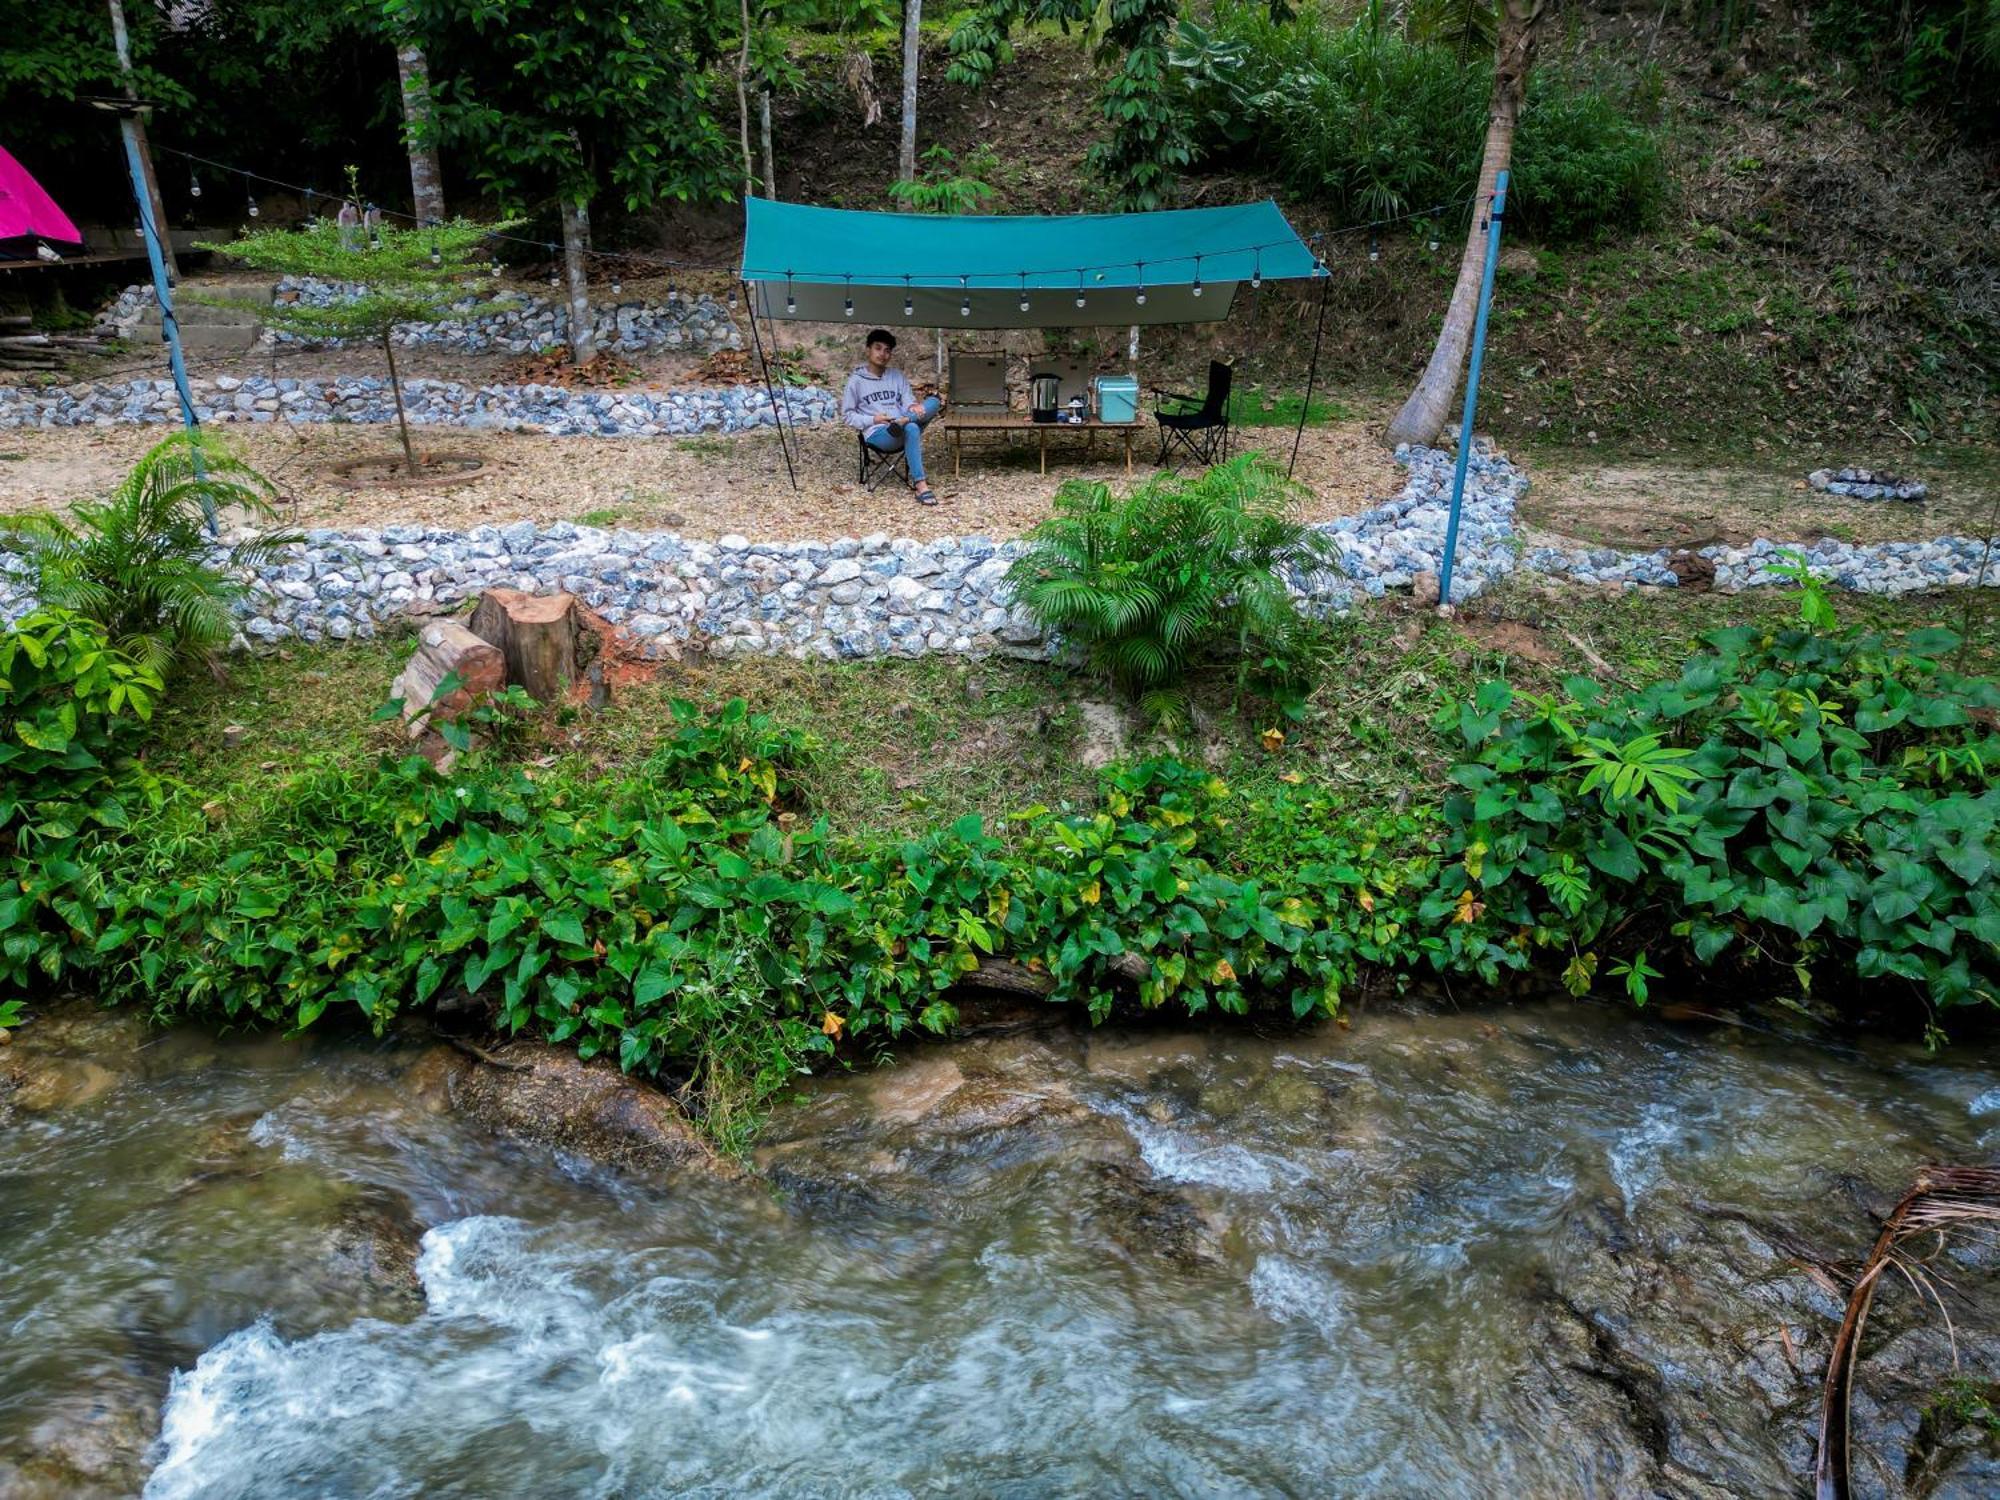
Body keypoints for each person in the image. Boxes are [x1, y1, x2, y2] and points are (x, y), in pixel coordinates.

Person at [842, 329, 945, 505]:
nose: (882, 354)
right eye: (878, 348)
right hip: (879, 433)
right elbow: (847, 416)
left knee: (934, 402)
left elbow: (908, 402)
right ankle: (921, 485)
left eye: (887, 350)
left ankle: (905, 420)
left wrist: (914, 407)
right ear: (868, 350)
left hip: (902, 422)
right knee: (911, 427)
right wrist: (873, 419)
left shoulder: (896, 376)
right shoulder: (856, 381)